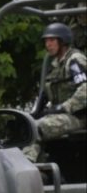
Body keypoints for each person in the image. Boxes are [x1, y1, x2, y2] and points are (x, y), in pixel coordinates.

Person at [24, 22, 86, 164]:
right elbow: (47, 91)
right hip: (64, 116)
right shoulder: (56, 65)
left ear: (62, 41)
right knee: (26, 126)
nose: (48, 45)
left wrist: (64, 107)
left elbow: (85, 89)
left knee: (37, 128)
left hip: (79, 116)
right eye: (46, 41)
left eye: (52, 40)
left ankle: (27, 166)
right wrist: (36, 112)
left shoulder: (74, 60)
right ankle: (40, 170)